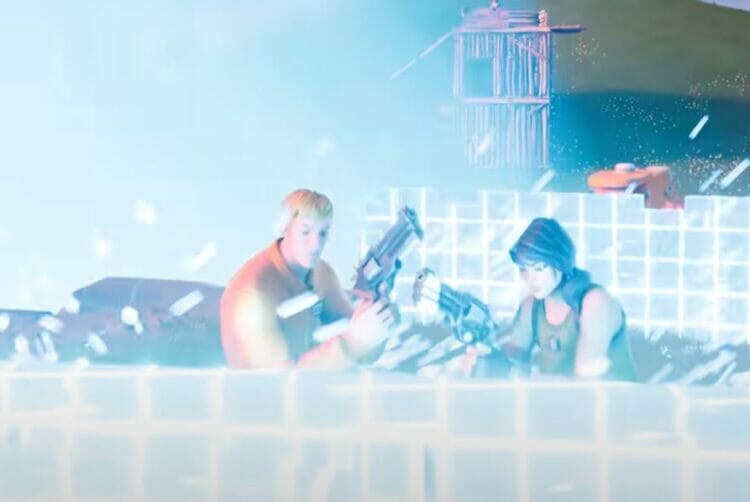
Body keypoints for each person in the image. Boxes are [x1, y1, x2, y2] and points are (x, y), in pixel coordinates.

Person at [220, 189, 394, 369]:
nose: (316, 245)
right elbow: (280, 381)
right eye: (305, 232)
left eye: (323, 233)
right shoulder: (251, 295)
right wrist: (355, 342)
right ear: (285, 227)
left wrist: (376, 312)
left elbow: (359, 338)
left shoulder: (322, 273)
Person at [495, 217, 638, 380]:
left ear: (560, 263)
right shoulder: (532, 306)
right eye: (523, 269)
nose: (530, 278)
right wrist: (487, 353)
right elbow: (511, 363)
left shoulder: (594, 303)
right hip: (557, 395)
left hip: (611, 396)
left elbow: (586, 376)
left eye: (539, 268)